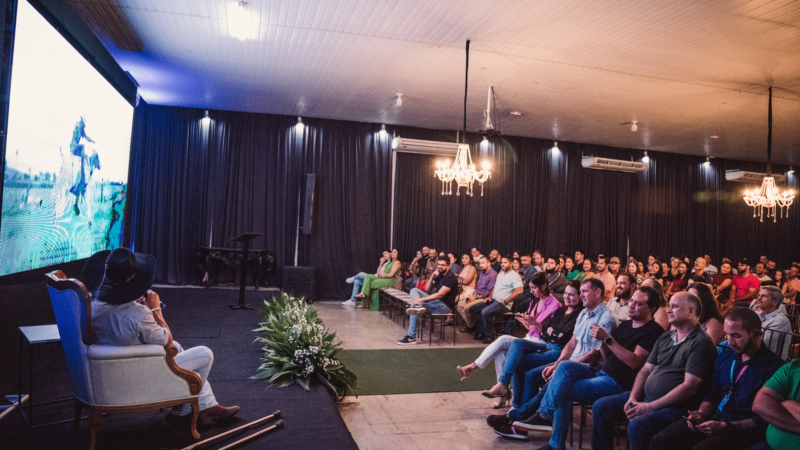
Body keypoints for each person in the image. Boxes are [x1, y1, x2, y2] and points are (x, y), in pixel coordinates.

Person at [85, 248, 240, 427]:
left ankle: (207, 408)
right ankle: (182, 412)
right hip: (142, 377)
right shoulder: (138, 314)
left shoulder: (92, 305)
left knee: (178, 347)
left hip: (108, 375)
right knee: (204, 355)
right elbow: (166, 339)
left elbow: (116, 320)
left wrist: (132, 304)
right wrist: (155, 310)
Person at [508, 286, 665, 449]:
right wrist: (602, 343)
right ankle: (545, 416)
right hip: (602, 372)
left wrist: (608, 339)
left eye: (638, 303)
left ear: (651, 309)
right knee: (564, 366)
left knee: (563, 389)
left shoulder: (653, 331)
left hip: (618, 383)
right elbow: (609, 357)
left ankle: (551, 434)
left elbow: (635, 362)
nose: (631, 305)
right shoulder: (626, 325)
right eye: (632, 301)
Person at [486, 278, 618, 439]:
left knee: (552, 382)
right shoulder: (584, 313)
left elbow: (594, 353)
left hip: (590, 367)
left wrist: (563, 367)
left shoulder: (606, 318)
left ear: (598, 293)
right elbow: (571, 343)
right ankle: (522, 420)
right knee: (532, 373)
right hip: (569, 361)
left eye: (584, 291)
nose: (581, 295)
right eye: (580, 291)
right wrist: (556, 365)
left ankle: (519, 419)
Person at [591, 292, 718, 450]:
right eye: (669, 306)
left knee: (637, 426)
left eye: (675, 307)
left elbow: (689, 387)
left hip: (674, 407)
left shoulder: (701, 342)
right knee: (601, 407)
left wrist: (649, 407)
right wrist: (632, 398)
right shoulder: (665, 337)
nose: (669, 310)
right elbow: (645, 369)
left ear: (691, 311)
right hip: (646, 398)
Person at [649, 308, 785, 450]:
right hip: (716, 418)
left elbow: (768, 418)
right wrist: (702, 413)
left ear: (756, 334)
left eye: (736, 336)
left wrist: (727, 426)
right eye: (727, 335)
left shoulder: (775, 368)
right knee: (661, 440)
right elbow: (712, 393)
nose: (730, 342)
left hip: (743, 429)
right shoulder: (726, 357)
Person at [457, 272, 561, 408]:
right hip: (530, 338)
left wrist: (535, 324)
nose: (532, 291)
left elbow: (549, 333)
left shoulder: (556, 305)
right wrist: (526, 322)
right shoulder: (535, 301)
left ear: (544, 286)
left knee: (503, 339)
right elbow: (531, 328)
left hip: (541, 343)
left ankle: (473, 367)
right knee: (501, 353)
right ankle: (502, 394)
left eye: (535, 288)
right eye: (531, 287)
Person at [397, 257, 459, 345]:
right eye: (439, 264)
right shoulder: (440, 274)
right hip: (435, 302)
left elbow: (440, 295)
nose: (440, 267)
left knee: (413, 308)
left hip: (443, 307)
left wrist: (420, 299)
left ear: (449, 265)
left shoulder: (450, 277)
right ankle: (418, 306)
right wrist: (432, 276)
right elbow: (427, 288)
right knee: (414, 290)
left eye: (443, 265)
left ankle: (411, 337)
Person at [471, 257, 524, 344]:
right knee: (473, 309)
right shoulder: (500, 274)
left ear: (511, 263)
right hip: (493, 300)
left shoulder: (515, 276)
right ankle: (483, 331)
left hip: (503, 304)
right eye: (502, 262)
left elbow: (519, 291)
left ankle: (489, 336)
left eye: (505, 262)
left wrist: (507, 301)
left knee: (485, 312)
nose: (503, 264)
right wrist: (489, 297)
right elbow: (494, 287)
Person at [752, 358, 800, 450]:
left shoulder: (773, 362)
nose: (730, 343)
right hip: (769, 445)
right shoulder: (792, 368)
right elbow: (759, 404)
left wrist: (789, 405)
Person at [456, 256, 497, 333]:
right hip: (477, 295)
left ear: (488, 263)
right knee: (459, 305)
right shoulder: (482, 273)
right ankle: (472, 325)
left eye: (482, 263)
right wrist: (473, 295)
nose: (480, 265)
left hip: (484, 298)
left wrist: (475, 298)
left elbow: (489, 291)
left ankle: (474, 327)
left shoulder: (493, 274)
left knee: (467, 307)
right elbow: (478, 287)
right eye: (479, 263)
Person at [755, 286, 793, 360]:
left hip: (771, 362)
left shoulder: (780, 321)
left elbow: (762, 344)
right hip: (758, 358)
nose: (759, 298)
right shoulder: (758, 315)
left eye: (763, 296)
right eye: (758, 295)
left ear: (775, 301)